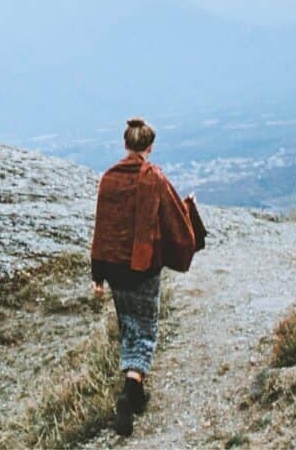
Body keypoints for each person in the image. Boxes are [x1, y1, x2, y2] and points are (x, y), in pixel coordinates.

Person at [89, 116, 199, 438]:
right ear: (150, 146)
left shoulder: (108, 178)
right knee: (146, 327)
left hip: (113, 268)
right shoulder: (154, 178)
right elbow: (172, 219)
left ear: (125, 144)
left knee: (128, 326)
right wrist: (189, 212)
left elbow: (102, 229)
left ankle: (134, 394)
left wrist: (97, 275)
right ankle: (131, 388)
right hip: (143, 266)